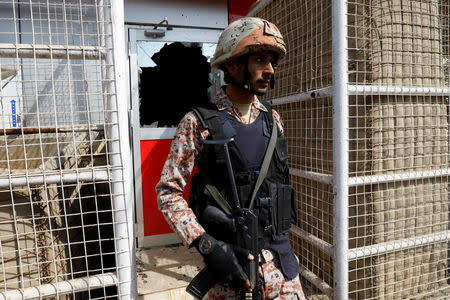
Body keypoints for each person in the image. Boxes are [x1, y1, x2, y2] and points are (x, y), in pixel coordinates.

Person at [156, 17, 306, 300]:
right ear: (232, 64)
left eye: (272, 62)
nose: (269, 70)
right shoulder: (198, 122)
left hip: (283, 266)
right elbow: (168, 192)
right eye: (260, 59)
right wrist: (206, 245)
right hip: (231, 271)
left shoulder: (272, 120)